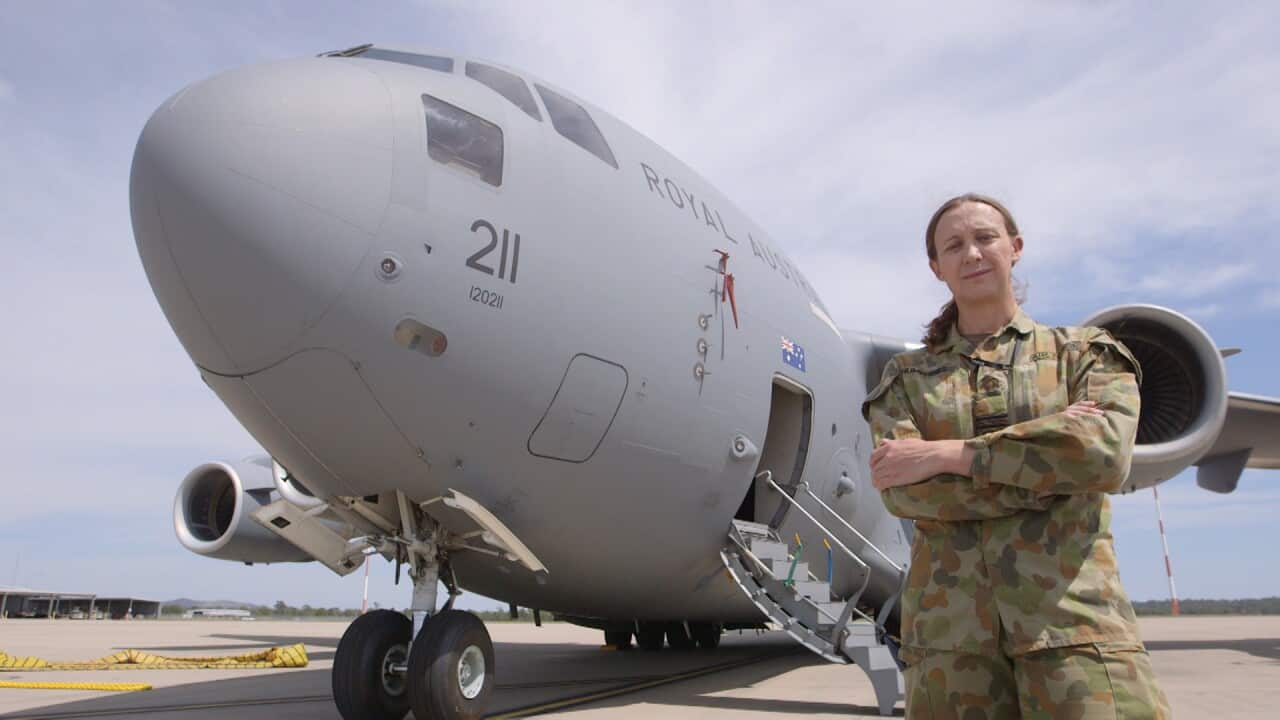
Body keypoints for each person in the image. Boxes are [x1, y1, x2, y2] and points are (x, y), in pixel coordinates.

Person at [861, 193, 1171, 718]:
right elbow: (906, 492)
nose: (972, 253)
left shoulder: (1082, 354)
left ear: (1015, 247)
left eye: (985, 238)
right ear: (937, 268)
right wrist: (1051, 470)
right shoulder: (907, 379)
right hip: (952, 647)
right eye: (954, 246)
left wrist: (951, 453)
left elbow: (1103, 458)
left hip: (1075, 630)